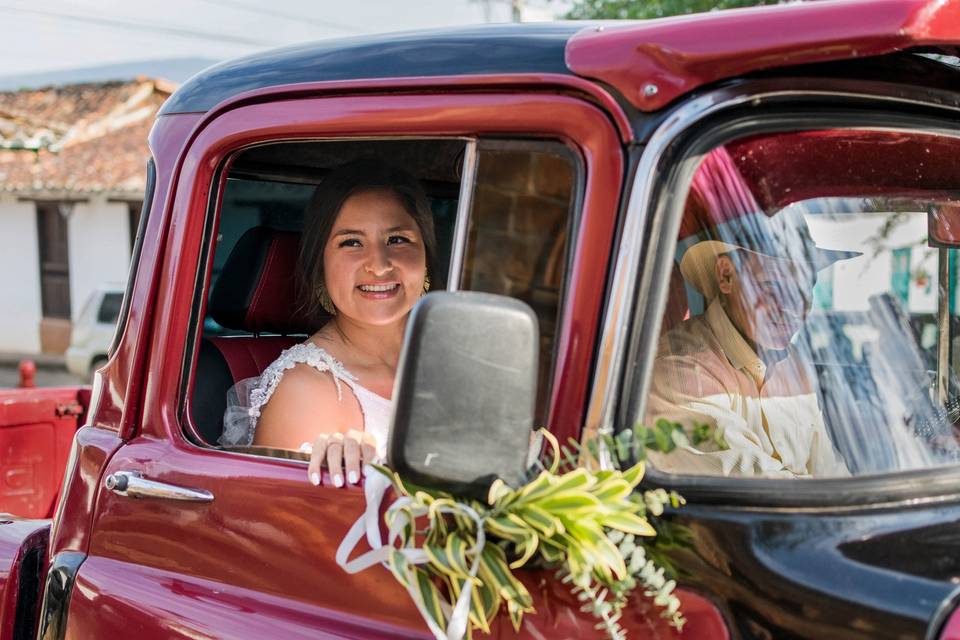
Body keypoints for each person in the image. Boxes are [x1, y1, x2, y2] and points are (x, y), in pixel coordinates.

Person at [220, 158, 436, 488]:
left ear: (425, 256)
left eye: (397, 240)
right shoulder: (304, 389)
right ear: (320, 267)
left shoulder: (453, 359)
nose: (379, 266)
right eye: (351, 242)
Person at [645, 208, 856, 478]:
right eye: (775, 289)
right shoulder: (679, 369)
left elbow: (831, 472)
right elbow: (760, 488)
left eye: (804, 291)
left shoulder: (793, 366)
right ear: (726, 276)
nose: (793, 310)